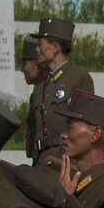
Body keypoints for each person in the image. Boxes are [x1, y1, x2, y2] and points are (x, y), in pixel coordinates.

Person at [27, 18, 95, 167]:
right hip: (41, 161)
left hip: (65, 161)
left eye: (40, 44)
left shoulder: (78, 78)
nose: (37, 50)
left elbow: (84, 127)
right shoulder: (41, 84)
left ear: (55, 47)